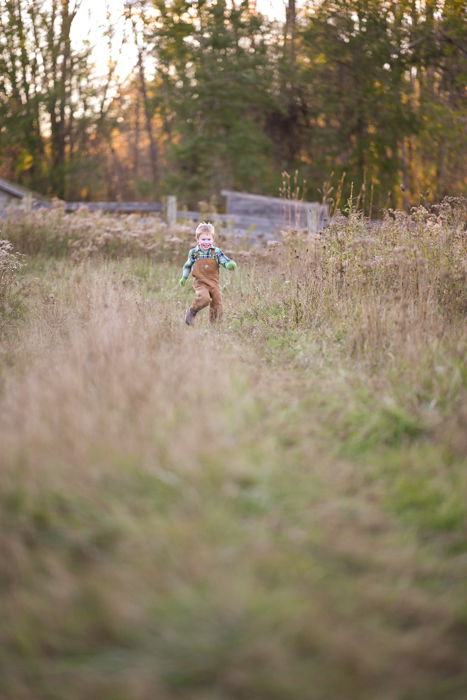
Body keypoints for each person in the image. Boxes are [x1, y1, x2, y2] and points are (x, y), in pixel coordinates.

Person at [179, 222, 237, 325]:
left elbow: (224, 260)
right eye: (203, 239)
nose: (206, 242)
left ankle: (215, 326)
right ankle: (192, 311)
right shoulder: (194, 252)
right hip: (200, 282)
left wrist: (229, 264)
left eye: (209, 239)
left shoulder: (216, 251)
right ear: (198, 239)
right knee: (204, 299)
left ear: (213, 239)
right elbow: (188, 265)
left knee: (217, 304)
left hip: (214, 283)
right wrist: (184, 277)